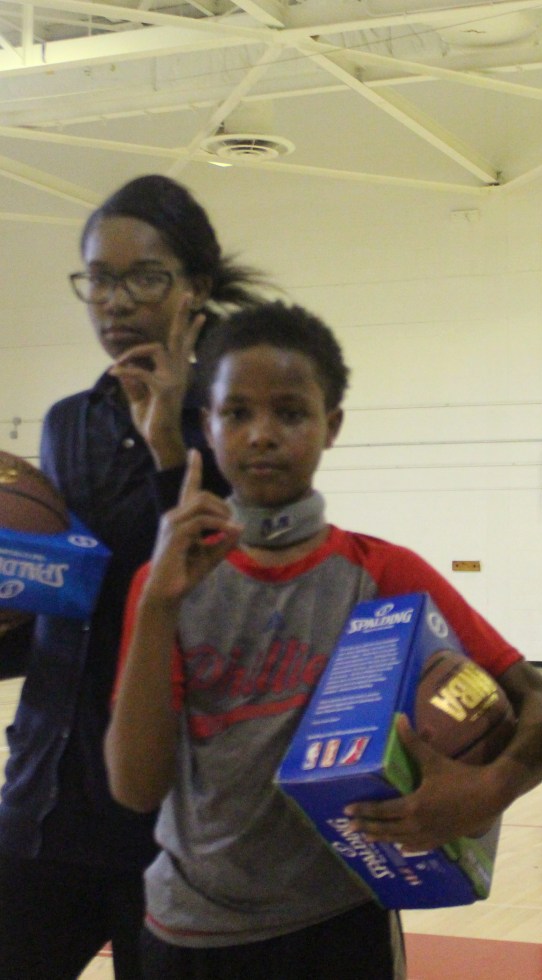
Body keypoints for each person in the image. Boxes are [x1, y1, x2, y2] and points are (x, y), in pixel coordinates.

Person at [103, 300, 542, 980]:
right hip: (191, 930)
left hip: (340, 923)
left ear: (332, 426)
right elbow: (134, 788)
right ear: (207, 425)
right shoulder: (165, 583)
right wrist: (158, 608)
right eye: (237, 413)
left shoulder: (381, 573)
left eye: (290, 413)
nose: (262, 435)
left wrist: (487, 790)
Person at [0, 174, 269, 980]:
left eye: (144, 278)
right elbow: (67, 607)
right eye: (99, 280)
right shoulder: (68, 424)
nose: (115, 302)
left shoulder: (244, 423)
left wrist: (168, 448)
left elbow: (237, 602)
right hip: (48, 794)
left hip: (177, 814)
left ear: (196, 287)